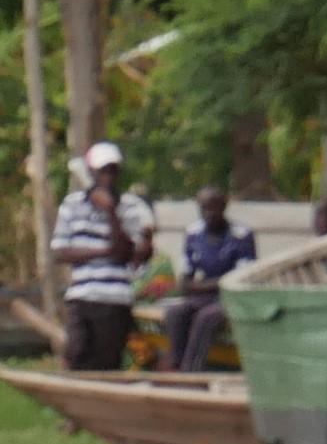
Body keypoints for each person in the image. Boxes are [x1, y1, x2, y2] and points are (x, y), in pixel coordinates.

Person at [52, 147, 154, 372]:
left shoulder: (130, 206)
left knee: (105, 362)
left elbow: (124, 254)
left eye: (113, 171)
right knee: (76, 352)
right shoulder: (72, 204)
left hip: (114, 298)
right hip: (81, 295)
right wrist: (102, 252)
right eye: (103, 171)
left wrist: (110, 212)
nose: (109, 176)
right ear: (92, 172)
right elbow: (60, 252)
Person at [165, 187, 256, 370]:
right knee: (176, 312)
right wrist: (214, 284)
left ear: (224, 207)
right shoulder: (194, 233)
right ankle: (175, 365)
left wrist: (203, 285)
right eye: (204, 208)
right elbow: (185, 283)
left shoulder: (241, 235)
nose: (210, 214)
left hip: (232, 298)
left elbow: (241, 280)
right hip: (204, 296)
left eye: (214, 208)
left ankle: (191, 371)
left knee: (206, 318)